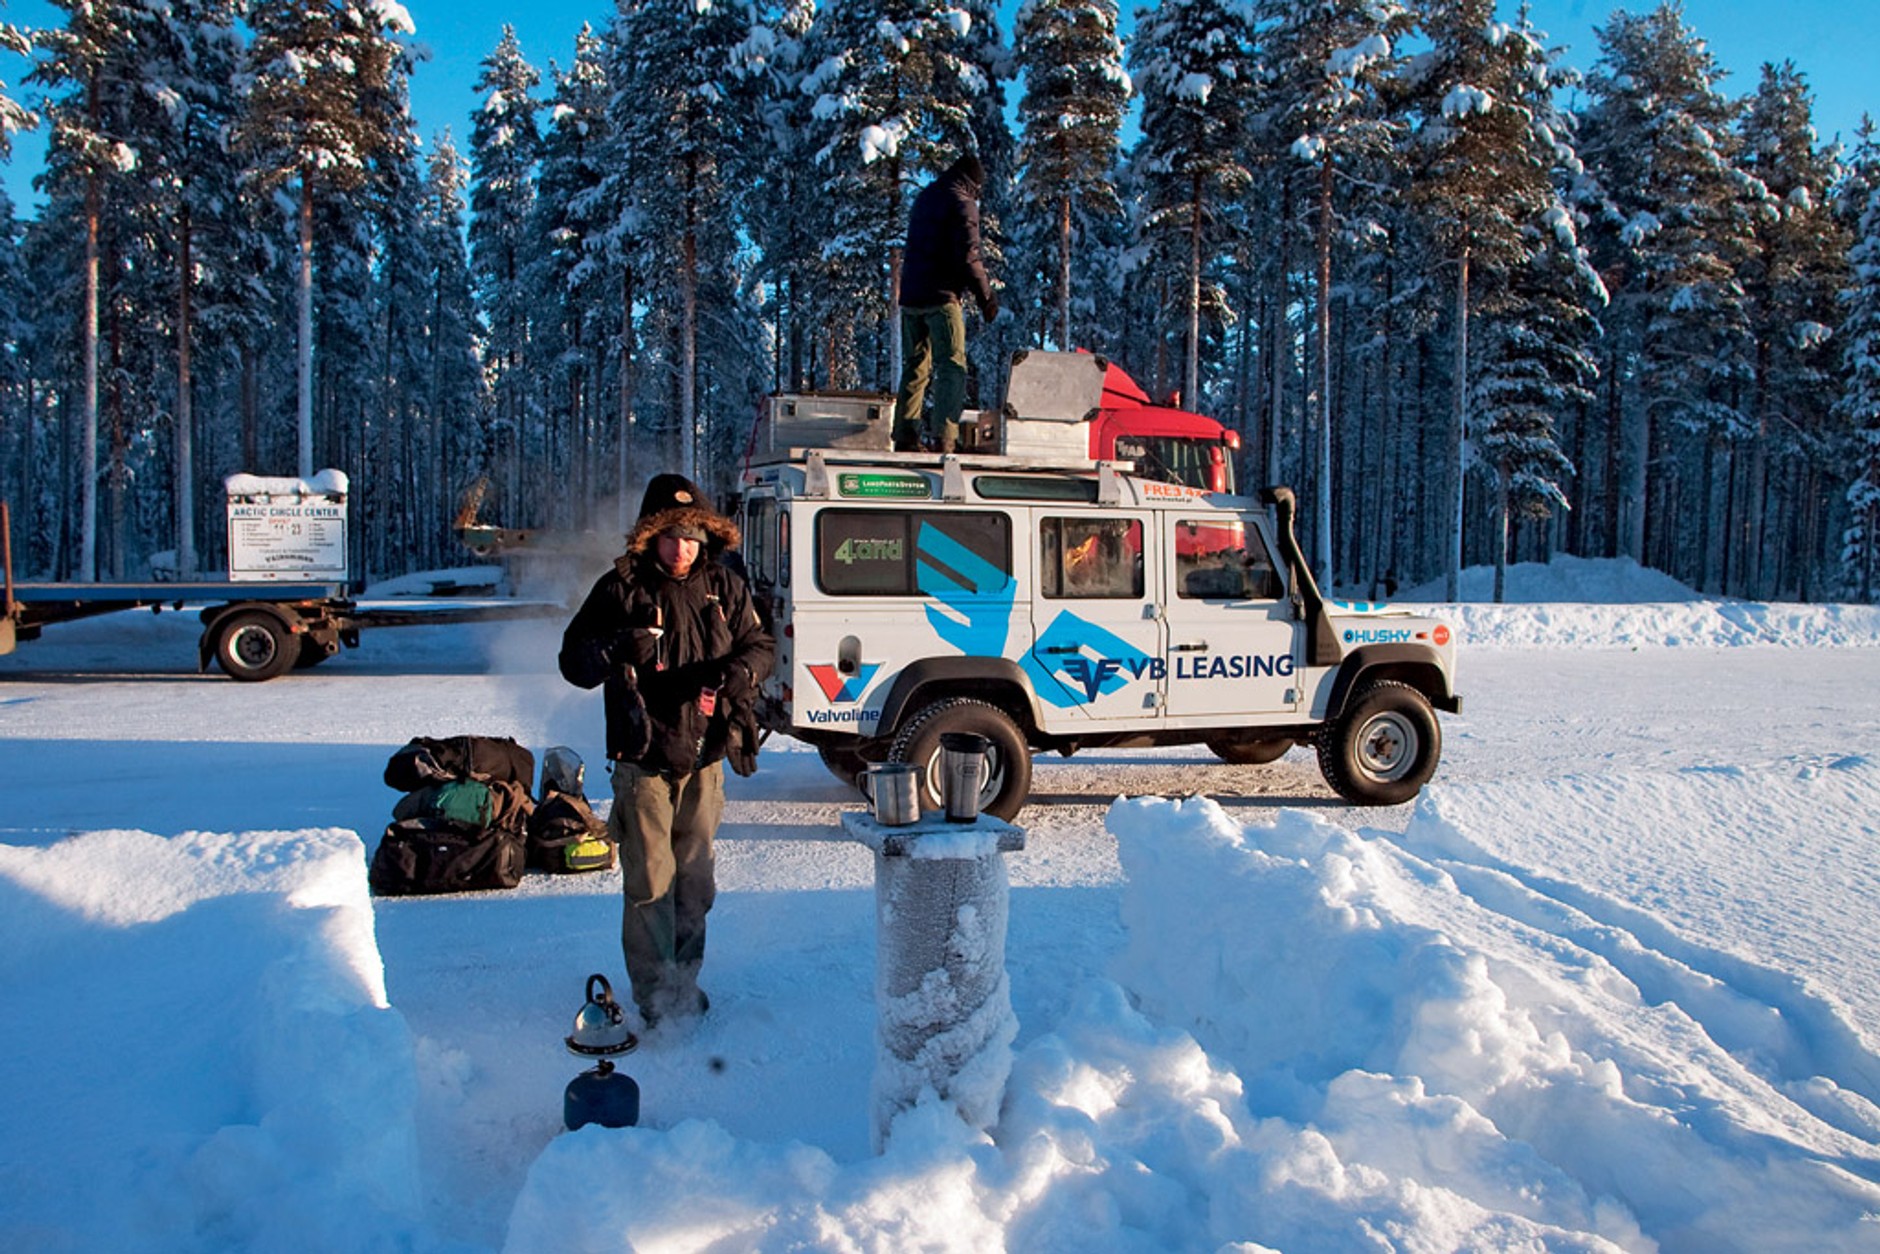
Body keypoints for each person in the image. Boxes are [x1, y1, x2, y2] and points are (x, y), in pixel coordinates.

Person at [559, 474, 775, 1028]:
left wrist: (741, 672)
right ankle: (657, 996)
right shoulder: (620, 588)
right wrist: (614, 648)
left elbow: (761, 645)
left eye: (692, 537)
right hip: (643, 760)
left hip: (705, 759)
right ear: (650, 536)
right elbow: (573, 662)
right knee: (651, 882)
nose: (682, 548)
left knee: (695, 881)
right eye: (671, 536)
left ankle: (684, 981)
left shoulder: (724, 588)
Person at [892, 154, 998, 454]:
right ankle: (945, 436)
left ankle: (905, 433)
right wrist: (985, 296)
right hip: (942, 297)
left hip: (911, 297)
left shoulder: (926, 196)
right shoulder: (962, 202)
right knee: (951, 365)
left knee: (915, 366)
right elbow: (969, 254)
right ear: (973, 182)